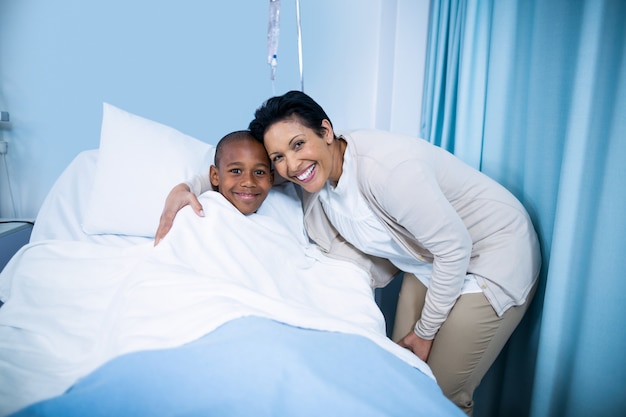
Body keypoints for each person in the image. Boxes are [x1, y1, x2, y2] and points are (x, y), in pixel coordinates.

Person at [154, 91, 541, 415]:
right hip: (429, 263)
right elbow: (242, 173)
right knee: (403, 381)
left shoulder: (388, 171)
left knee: (438, 397)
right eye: (279, 158)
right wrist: (189, 185)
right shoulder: (311, 175)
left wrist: (425, 332)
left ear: (326, 130)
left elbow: (455, 247)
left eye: (298, 145)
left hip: (489, 256)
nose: (291, 166)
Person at [155, 130, 273, 244]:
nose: (248, 182)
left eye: (259, 172)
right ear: (215, 176)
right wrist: (182, 189)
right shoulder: (202, 211)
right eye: (236, 171)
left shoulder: (278, 210)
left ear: (271, 178)